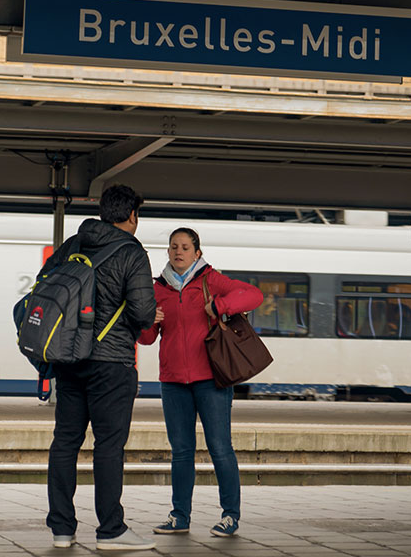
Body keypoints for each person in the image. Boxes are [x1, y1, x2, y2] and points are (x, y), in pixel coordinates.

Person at [43, 184, 157, 551]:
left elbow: (45, 283)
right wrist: (152, 313)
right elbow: (141, 314)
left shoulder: (74, 244)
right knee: (108, 446)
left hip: (69, 358)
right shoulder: (131, 252)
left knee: (65, 442)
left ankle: (62, 528)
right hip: (111, 363)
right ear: (132, 215)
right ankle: (111, 530)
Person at [138, 227, 262, 538]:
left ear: (197, 253)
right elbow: (147, 339)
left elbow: (253, 294)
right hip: (173, 381)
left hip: (212, 380)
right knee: (181, 452)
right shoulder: (157, 289)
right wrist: (147, 321)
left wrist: (220, 306)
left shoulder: (210, 280)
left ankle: (230, 515)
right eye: (173, 247)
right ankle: (180, 516)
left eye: (184, 247)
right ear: (168, 252)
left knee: (220, 448)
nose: (178, 251)